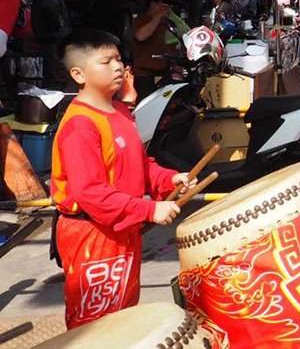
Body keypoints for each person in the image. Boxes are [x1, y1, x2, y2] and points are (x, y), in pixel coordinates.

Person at [50, 29, 194, 328]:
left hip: (121, 228)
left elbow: (139, 165)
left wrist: (169, 180)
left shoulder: (119, 111)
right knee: (95, 323)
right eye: (106, 61)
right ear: (79, 74)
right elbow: (90, 193)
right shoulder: (80, 125)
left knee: (123, 312)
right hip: (93, 234)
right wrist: (150, 209)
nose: (118, 67)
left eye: (118, 59)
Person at [131, 0, 187, 99]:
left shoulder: (166, 21)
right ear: (153, 4)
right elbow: (141, 36)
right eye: (164, 5)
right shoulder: (142, 20)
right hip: (144, 74)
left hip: (162, 71)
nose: (168, 8)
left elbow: (182, 33)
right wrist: (158, 16)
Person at [33, 0, 78, 89]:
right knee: (57, 75)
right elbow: (49, 6)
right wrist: (59, 25)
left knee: (54, 74)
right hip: (52, 37)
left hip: (51, 36)